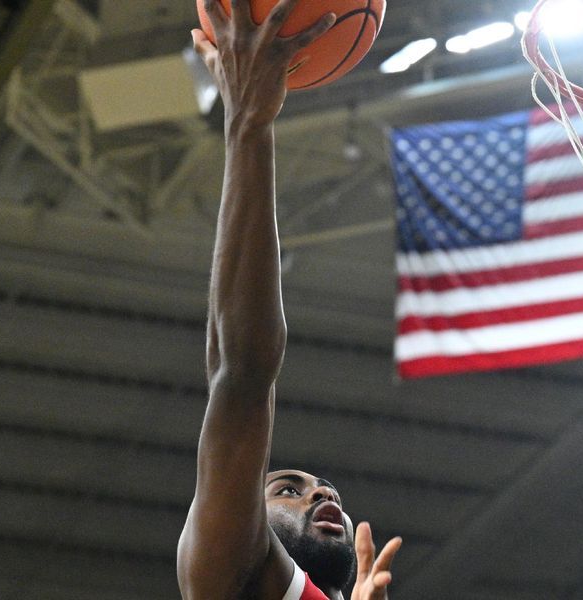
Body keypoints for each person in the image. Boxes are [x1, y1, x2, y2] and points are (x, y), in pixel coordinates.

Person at [177, 1, 402, 599]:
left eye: (310, 487)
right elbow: (241, 372)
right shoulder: (225, 567)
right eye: (288, 489)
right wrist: (248, 124)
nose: (322, 494)